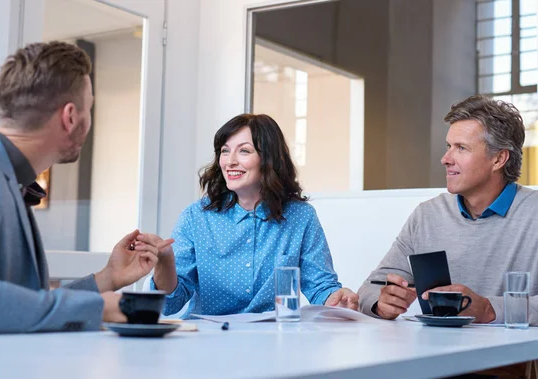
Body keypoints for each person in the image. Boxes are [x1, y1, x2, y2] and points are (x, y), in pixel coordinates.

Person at [0, 41, 168, 334]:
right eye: (89, 108)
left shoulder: (3, 174)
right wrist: (101, 308)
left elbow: (25, 303)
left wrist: (107, 279)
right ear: (71, 117)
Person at [134, 114, 359, 317]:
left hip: (275, 341)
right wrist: (164, 262)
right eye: (224, 150)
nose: (230, 161)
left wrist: (339, 299)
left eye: (244, 151)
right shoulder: (196, 217)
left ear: (269, 160)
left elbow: (321, 287)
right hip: (209, 343)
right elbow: (170, 304)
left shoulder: (301, 217)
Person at [358, 94, 538, 325]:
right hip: (431, 355)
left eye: (461, 148)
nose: (445, 159)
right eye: (448, 146)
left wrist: (490, 309)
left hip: (513, 360)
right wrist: (381, 302)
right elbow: (370, 288)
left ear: (499, 159)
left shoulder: (533, 213)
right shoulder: (427, 215)